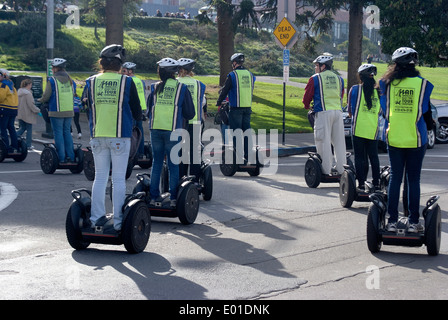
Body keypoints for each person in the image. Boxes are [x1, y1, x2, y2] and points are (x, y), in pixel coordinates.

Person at [82, 44, 142, 232]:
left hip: (98, 135)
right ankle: (118, 222)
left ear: (101, 63)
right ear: (120, 65)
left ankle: (95, 218)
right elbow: (137, 112)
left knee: (99, 178)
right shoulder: (127, 82)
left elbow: (86, 106)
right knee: (118, 179)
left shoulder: (91, 81)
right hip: (120, 136)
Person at [379, 47, 434, 233]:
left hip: (394, 137)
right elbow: (426, 111)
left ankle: (392, 221)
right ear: (414, 64)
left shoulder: (386, 84)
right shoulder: (423, 84)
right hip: (416, 139)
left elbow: (385, 112)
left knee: (395, 178)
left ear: (396, 64)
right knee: (413, 179)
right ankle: (412, 222)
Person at [147, 57, 195, 207]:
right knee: (174, 164)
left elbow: (149, 110)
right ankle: (174, 198)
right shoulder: (181, 88)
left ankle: (154, 197)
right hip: (173, 130)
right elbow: (190, 113)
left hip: (155, 129)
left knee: (157, 163)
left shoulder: (154, 87)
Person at [302, 53, 346, 176]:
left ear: (323, 66)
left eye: (317, 65)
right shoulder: (339, 79)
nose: (315, 68)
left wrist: (307, 106)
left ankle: (325, 170)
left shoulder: (315, 78)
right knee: (339, 142)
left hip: (323, 112)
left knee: (323, 141)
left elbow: (307, 96)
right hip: (338, 112)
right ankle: (342, 170)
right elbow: (341, 95)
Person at [216, 53, 256, 164]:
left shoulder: (232, 75)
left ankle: (238, 158)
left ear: (234, 63)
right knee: (247, 132)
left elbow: (225, 90)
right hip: (247, 108)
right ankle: (249, 156)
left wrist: (219, 102)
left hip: (235, 109)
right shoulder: (250, 75)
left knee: (236, 133)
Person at [347, 64, 381, 190]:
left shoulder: (355, 89)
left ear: (360, 76)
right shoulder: (379, 91)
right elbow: (380, 111)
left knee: (360, 157)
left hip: (358, 129)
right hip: (373, 129)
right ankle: (377, 183)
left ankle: (361, 183)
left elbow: (350, 111)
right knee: (373, 156)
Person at [40, 58, 76, 163]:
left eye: (53, 67)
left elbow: (46, 96)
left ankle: (61, 157)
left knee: (58, 133)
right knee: (67, 133)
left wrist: (40, 100)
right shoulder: (71, 81)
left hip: (56, 111)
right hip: (69, 111)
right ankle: (71, 157)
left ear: (55, 68)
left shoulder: (52, 80)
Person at [177, 57, 206, 180]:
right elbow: (203, 102)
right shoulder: (199, 84)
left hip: (179, 121)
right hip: (195, 120)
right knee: (194, 151)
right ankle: (195, 180)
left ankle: (180, 177)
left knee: (180, 150)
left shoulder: (176, 82)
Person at [121, 61, 146, 158]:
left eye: (124, 70)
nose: (123, 72)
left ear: (130, 71)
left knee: (131, 132)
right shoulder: (140, 81)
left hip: (132, 109)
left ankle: (132, 153)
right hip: (141, 108)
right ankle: (140, 152)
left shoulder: (127, 81)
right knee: (140, 132)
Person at [16, 78, 41, 150]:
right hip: (28, 114)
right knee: (29, 129)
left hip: (20, 113)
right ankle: (28, 145)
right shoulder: (28, 94)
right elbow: (31, 105)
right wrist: (38, 111)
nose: (31, 86)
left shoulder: (19, 93)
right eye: (31, 84)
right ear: (28, 85)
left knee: (22, 128)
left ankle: (14, 138)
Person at [0, 68, 19, 153]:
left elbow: (1, 97)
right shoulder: (11, 84)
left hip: (5, 109)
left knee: (3, 128)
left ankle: (6, 148)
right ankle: (15, 146)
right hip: (13, 109)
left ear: (4, 76)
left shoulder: (3, 85)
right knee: (11, 128)